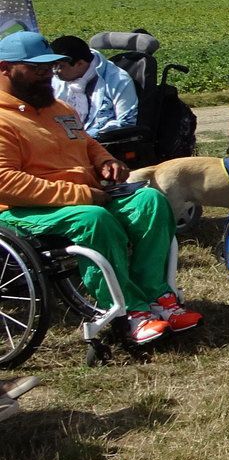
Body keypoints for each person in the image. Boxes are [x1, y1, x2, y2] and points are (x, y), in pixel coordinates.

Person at [0, 31, 200, 345]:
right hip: (22, 210)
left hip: (83, 197)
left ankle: (157, 296)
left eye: (48, 68)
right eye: (35, 68)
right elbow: (5, 183)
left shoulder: (59, 109)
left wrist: (105, 161)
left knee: (149, 200)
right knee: (94, 219)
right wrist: (79, 194)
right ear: (5, 68)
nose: (45, 75)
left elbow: (87, 143)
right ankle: (129, 312)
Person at [49, 35, 138, 139]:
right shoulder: (58, 79)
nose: (53, 71)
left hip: (100, 145)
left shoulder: (118, 80)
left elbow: (127, 122)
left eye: (59, 66)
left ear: (80, 64)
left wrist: (83, 137)